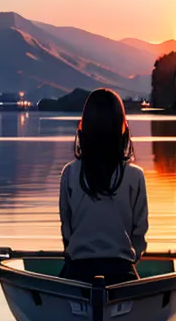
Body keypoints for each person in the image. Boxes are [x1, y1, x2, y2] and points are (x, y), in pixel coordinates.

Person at [59, 88, 148, 284]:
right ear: (122, 127)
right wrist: (132, 254)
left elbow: (67, 230)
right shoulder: (135, 176)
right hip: (122, 271)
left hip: (77, 270)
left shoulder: (70, 173)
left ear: (84, 126)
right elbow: (139, 234)